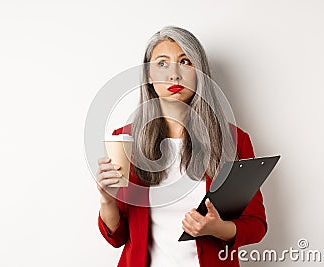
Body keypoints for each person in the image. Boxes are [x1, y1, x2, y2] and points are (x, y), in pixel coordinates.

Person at [96, 26, 267, 267]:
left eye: (185, 61)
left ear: (200, 73)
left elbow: (256, 225)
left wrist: (218, 228)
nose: (174, 75)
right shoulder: (125, 141)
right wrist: (107, 200)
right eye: (162, 64)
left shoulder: (234, 140)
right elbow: (117, 237)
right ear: (147, 76)